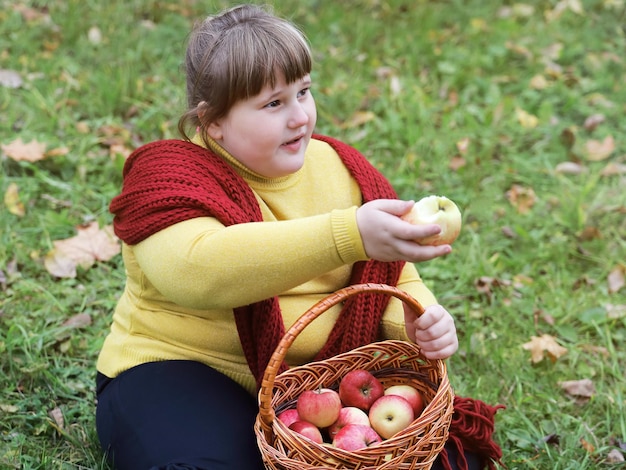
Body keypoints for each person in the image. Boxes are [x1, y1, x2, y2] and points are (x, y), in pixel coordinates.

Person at [95, 4, 502, 470]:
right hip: (183, 368)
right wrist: (348, 234)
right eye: (273, 103)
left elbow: (389, 274)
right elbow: (196, 270)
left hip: (310, 385)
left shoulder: (341, 168)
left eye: (303, 92)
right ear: (213, 122)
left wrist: (417, 317)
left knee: (445, 457)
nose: (299, 118)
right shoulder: (167, 177)